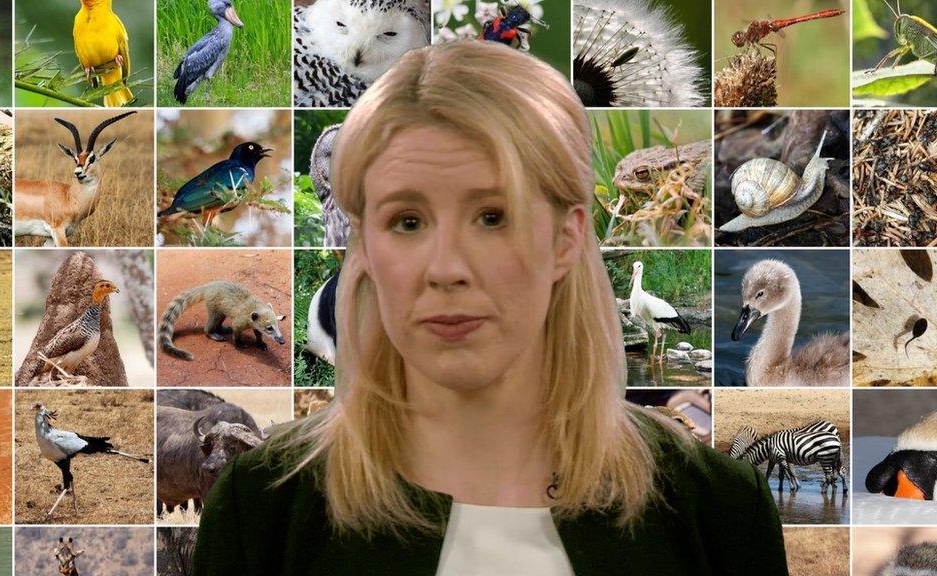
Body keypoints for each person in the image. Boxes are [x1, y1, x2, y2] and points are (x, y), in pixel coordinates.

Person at [193, 40, 788, 575]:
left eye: (492, 217)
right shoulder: (264, 506)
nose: (446, 267)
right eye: (407, 221)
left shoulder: (718, 511)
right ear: (364, 245)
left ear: (566, 238)